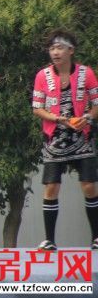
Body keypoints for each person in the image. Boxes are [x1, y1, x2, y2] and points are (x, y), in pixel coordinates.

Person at [32, 29, 98, 251]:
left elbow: (97, 103)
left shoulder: (86, 73)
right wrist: (58, 119)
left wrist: (87, 117)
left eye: (60, 47)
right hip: (55, 138)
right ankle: (49, 240)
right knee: (51, 187)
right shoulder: (42, 76)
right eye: (52, 48)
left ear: (71, 50)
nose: (55, 52)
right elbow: (37, 108)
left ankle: (96, 238)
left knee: (89, 186)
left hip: (82, 135)